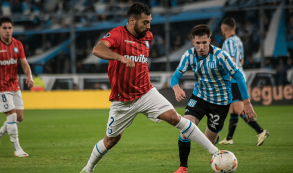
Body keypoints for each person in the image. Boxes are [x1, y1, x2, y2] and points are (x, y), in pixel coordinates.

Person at [79, 3, 240, 173]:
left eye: (150, 22)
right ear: (132, 20)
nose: (149, 26)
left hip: (146, 92)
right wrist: (121, 58)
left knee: (175, 118)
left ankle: (216, 153)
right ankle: (88, 169)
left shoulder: (147, 36)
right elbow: (98, 49)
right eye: (145, 22)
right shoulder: (118, 34)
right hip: (123, 101)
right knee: (111, 140)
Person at [170, 24, 257, 173]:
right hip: (199, 97)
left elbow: (238, 76)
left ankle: (215, 137)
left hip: (220, 102)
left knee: (208, 141)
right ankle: (183, 167)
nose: (201, 46)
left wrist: (247, 103)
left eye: (204, 42)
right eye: (198, 43)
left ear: (210, 40)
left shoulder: (221, 56)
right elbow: (175, 77)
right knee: (185, 130)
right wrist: (176, 88)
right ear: (193, 42)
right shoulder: (189, 55)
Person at [218, 18, 269, 146]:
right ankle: (229, 138)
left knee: (239, 109)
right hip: (239, 76)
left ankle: (260, 131)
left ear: (224, 29)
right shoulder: (238, 41)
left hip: (233, 79)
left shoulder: (228, 42)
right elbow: (241, 61)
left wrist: (228, 76)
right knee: (233, 109)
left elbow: (232, 62)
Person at [0, 17, 34, 157]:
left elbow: (24, 64)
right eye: (5, 28)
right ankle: (17, 148)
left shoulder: (17, 45)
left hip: (14, 85)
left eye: (10, 28)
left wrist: (29, 77)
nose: (8, 31)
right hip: (0, 86)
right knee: (12, 115)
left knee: (19, 117)